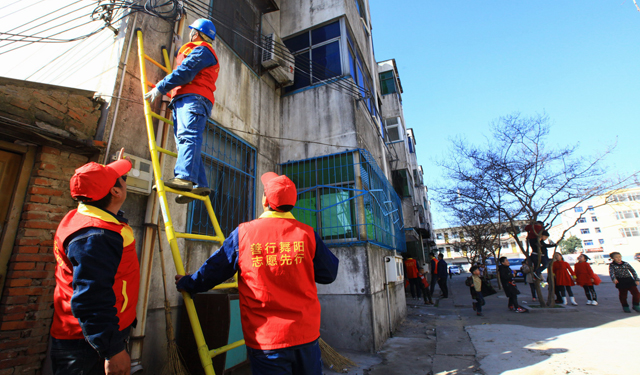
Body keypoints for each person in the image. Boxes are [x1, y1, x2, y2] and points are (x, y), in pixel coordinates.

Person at [175, 172, 339, 374]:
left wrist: (188, 283)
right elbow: (329, 274)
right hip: (306, 337)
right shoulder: (307, 235)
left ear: (265, 200)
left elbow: (214, 271)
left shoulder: (244, 234)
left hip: (267, 341)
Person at [50, 151, 139, 375]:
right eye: (120, 180)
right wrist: (113, 350)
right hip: (89, 344)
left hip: (92, 334)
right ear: (115, 192)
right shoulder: (96, 236)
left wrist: (113, 172)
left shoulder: (81, 217)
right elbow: (92, 298)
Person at [145, 19, 220, 204]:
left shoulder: (203, 49)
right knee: (185, 142)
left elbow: (186, 71)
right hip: (187, 98)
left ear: (196, 33)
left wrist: (161, 87)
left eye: (191, 32)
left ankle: (184, 178)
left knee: (188, 137)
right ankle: (199, 184)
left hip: (194, 98)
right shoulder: (199, 50)